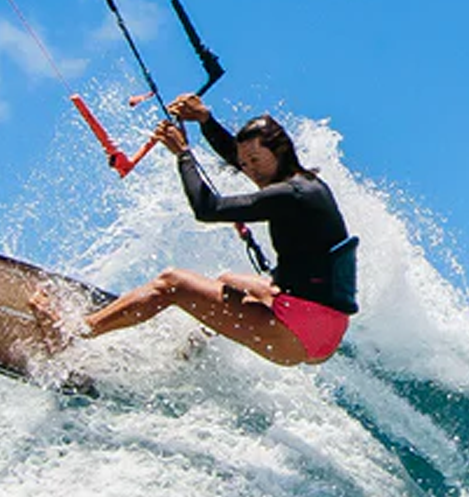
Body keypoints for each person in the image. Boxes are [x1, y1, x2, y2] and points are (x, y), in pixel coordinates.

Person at [30, 94, 358, 366]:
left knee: (172, 283)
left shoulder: (290, 195)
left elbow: (208, 209)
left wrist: (184, 155)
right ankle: (189, 355)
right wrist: (205, 120)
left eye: (256, 160)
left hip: (300, 329)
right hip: (322, 324)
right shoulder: (302, 183)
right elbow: (235, 154)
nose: (249, 170)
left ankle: (74, 333)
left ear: (280, 151)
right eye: (245, 164)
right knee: (227, 281)